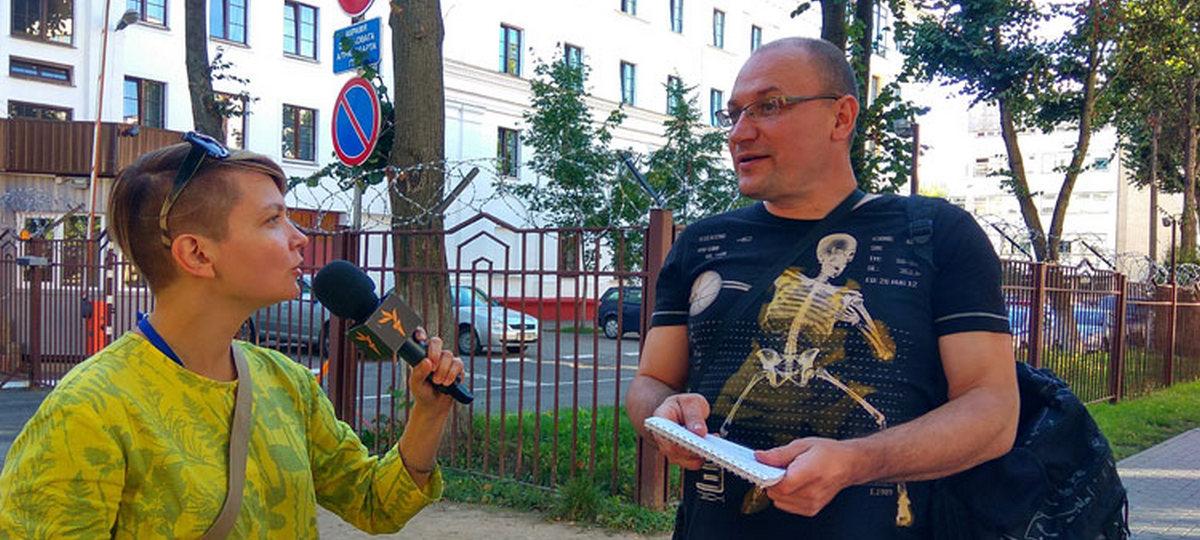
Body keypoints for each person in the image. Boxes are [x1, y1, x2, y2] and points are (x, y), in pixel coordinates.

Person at [626, 37, 1019, 538]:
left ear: (841, 117)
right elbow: (651, 381)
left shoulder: (935, 235)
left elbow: (993, 411)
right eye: (734, 114)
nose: (740, 132)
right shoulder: (702, 244)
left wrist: (859, 461)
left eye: (769, 106)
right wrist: (663, 415)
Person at [0, 133, 464, 537]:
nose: (300, 238)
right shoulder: (88, 413)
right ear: (198, 254)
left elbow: (374, 504)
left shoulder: (288, 383)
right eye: (272, 220)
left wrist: (428, 414)